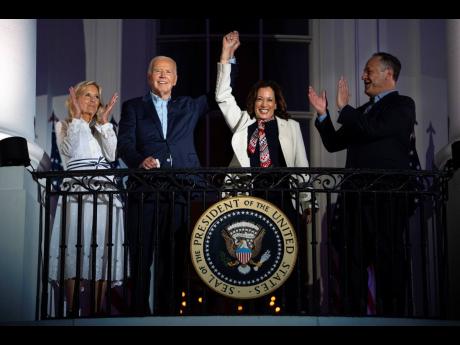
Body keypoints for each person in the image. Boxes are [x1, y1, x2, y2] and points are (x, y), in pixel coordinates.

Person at [117, 37, 238, 315]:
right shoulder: (133, 107)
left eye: (167, 71)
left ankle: (167, 315)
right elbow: (124, 144)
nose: (162, 75)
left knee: (172, 259)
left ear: (175, 78)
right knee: (141, 256)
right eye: (157, 71)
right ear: (149, 77)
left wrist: (226, 58)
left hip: (181, 192)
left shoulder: (188, 106)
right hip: (145, 192)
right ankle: (137, 315)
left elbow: (219, 94)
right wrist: (139, 160)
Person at [308, 52, 417, 316]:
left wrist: (344, 110)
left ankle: (394, 320)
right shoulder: (360, 112)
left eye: (369, 71)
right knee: (351, 267)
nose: (363, 76)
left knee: (388, 263)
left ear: (388, 73)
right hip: (355, 202)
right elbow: (334, 144)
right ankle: (353, 319)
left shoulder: (402, 105)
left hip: (386, 200)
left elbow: (375, 129)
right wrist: (323, 116)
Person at [216, 31, 313, 313]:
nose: (264, 104)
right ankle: (255, 310)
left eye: (269, 100)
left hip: (283, 196)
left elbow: (301, 165)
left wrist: (307, 201)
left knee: (289, 256)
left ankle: (293, 308)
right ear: (254, 101)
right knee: (257, 258)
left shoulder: (290, 126)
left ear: (277, 102)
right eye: (260, 99)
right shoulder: (243, 122)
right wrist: (226, 58)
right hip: (251, 197)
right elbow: (222, 97)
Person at [49, 81, 124, 316]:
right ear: (75, 99)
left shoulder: (101, 128)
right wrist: (79, 119)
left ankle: (95, 313)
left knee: (102, 247)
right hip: (78, 194)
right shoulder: (65, 126)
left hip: (104, 195)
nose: (93, 100)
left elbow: (112, 154)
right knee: (75, 244)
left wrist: (104, 124)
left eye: (96, 97)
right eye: (87, 95)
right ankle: (72, 312)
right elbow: (69, 151)